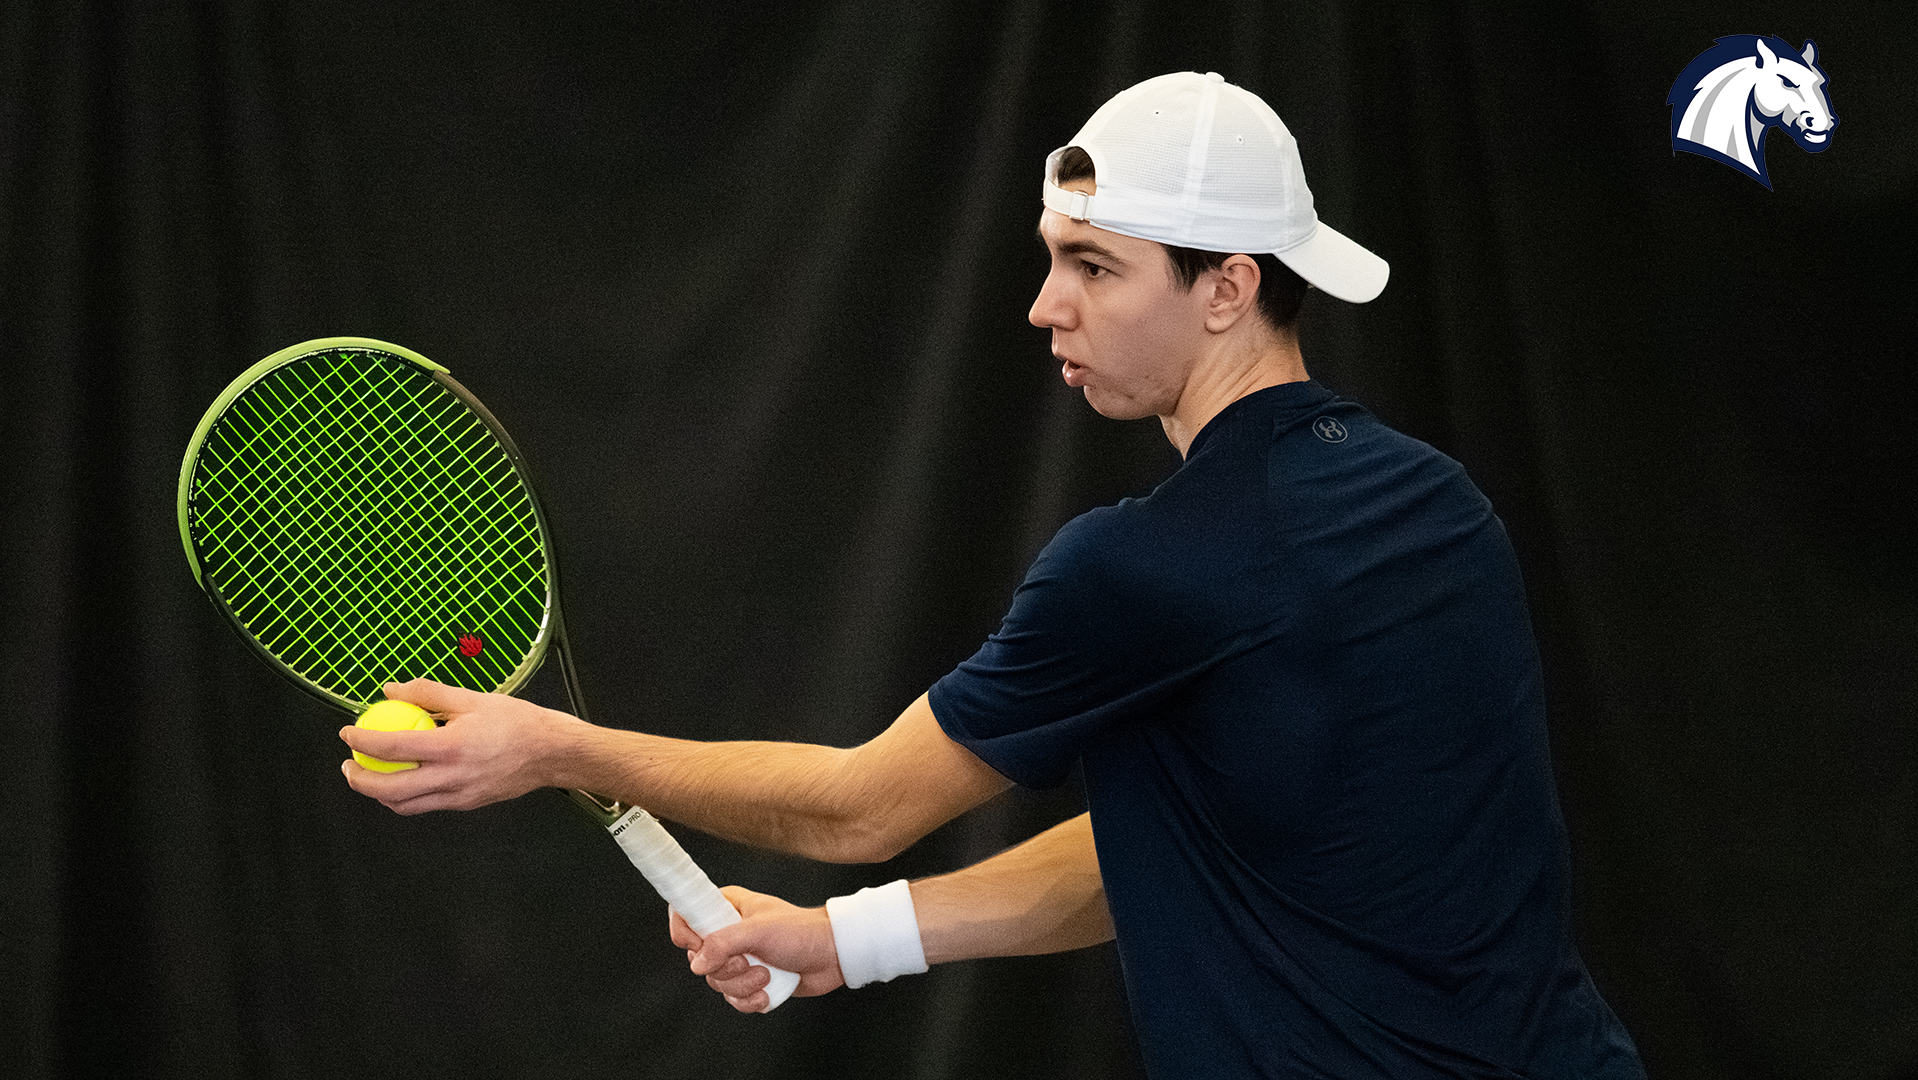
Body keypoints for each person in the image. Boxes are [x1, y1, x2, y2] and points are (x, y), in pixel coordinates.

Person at [341, 71, 1646, 1078]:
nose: (1043, 304)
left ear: (1226, 288)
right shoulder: (1439, 506)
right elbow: (1198, 847)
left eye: (1093, 266)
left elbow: (855, 812)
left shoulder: (1140, 567)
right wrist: (841, 942)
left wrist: (556, 749)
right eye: (1048, 256)